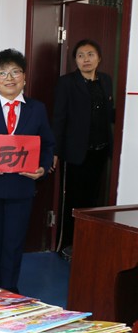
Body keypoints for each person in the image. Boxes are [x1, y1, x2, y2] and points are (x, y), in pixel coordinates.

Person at [0, 49, 55, 293]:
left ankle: (8, 292)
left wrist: (43, 168)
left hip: (21, 188)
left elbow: (47, 144)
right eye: (2, 73)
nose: (9, 78)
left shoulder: (37, 109)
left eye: (15, 72)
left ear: (24, 77)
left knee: (14, 243)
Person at [52, 39, 115, 256]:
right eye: (80, 55)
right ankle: (68, 244)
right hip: (75, 153)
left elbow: (109, 114)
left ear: (99, 58)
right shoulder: (67, 83)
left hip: (100, 151)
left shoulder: (105, 80)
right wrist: (55, 151)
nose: (86, 59)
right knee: (73, 200)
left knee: (93, 200)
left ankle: (87, 242)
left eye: (90, 54)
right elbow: (59, 118)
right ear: (75, 60)